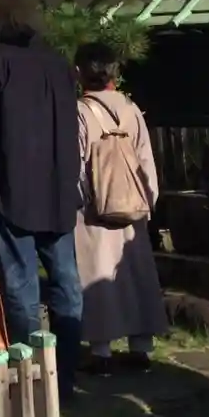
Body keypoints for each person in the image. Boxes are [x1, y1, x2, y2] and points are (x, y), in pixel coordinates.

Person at [0, 0, 83, 398]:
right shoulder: (59, 63)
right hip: (59, 188)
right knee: (66, 286)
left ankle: (32, 379)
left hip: (12, 187)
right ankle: (65, 376)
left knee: (20, 287)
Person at [72, 41, 168, 374]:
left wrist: (82, 204)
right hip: (133, 204)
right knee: (136, 274)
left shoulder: (80, 112)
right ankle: (141, 346)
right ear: (114, 72)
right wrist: (148, 202)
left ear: (79, 73)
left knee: (96, 274)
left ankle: (101, 351)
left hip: (95, 210)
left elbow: (76, 167)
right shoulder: (131, 108)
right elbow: (146, 161)